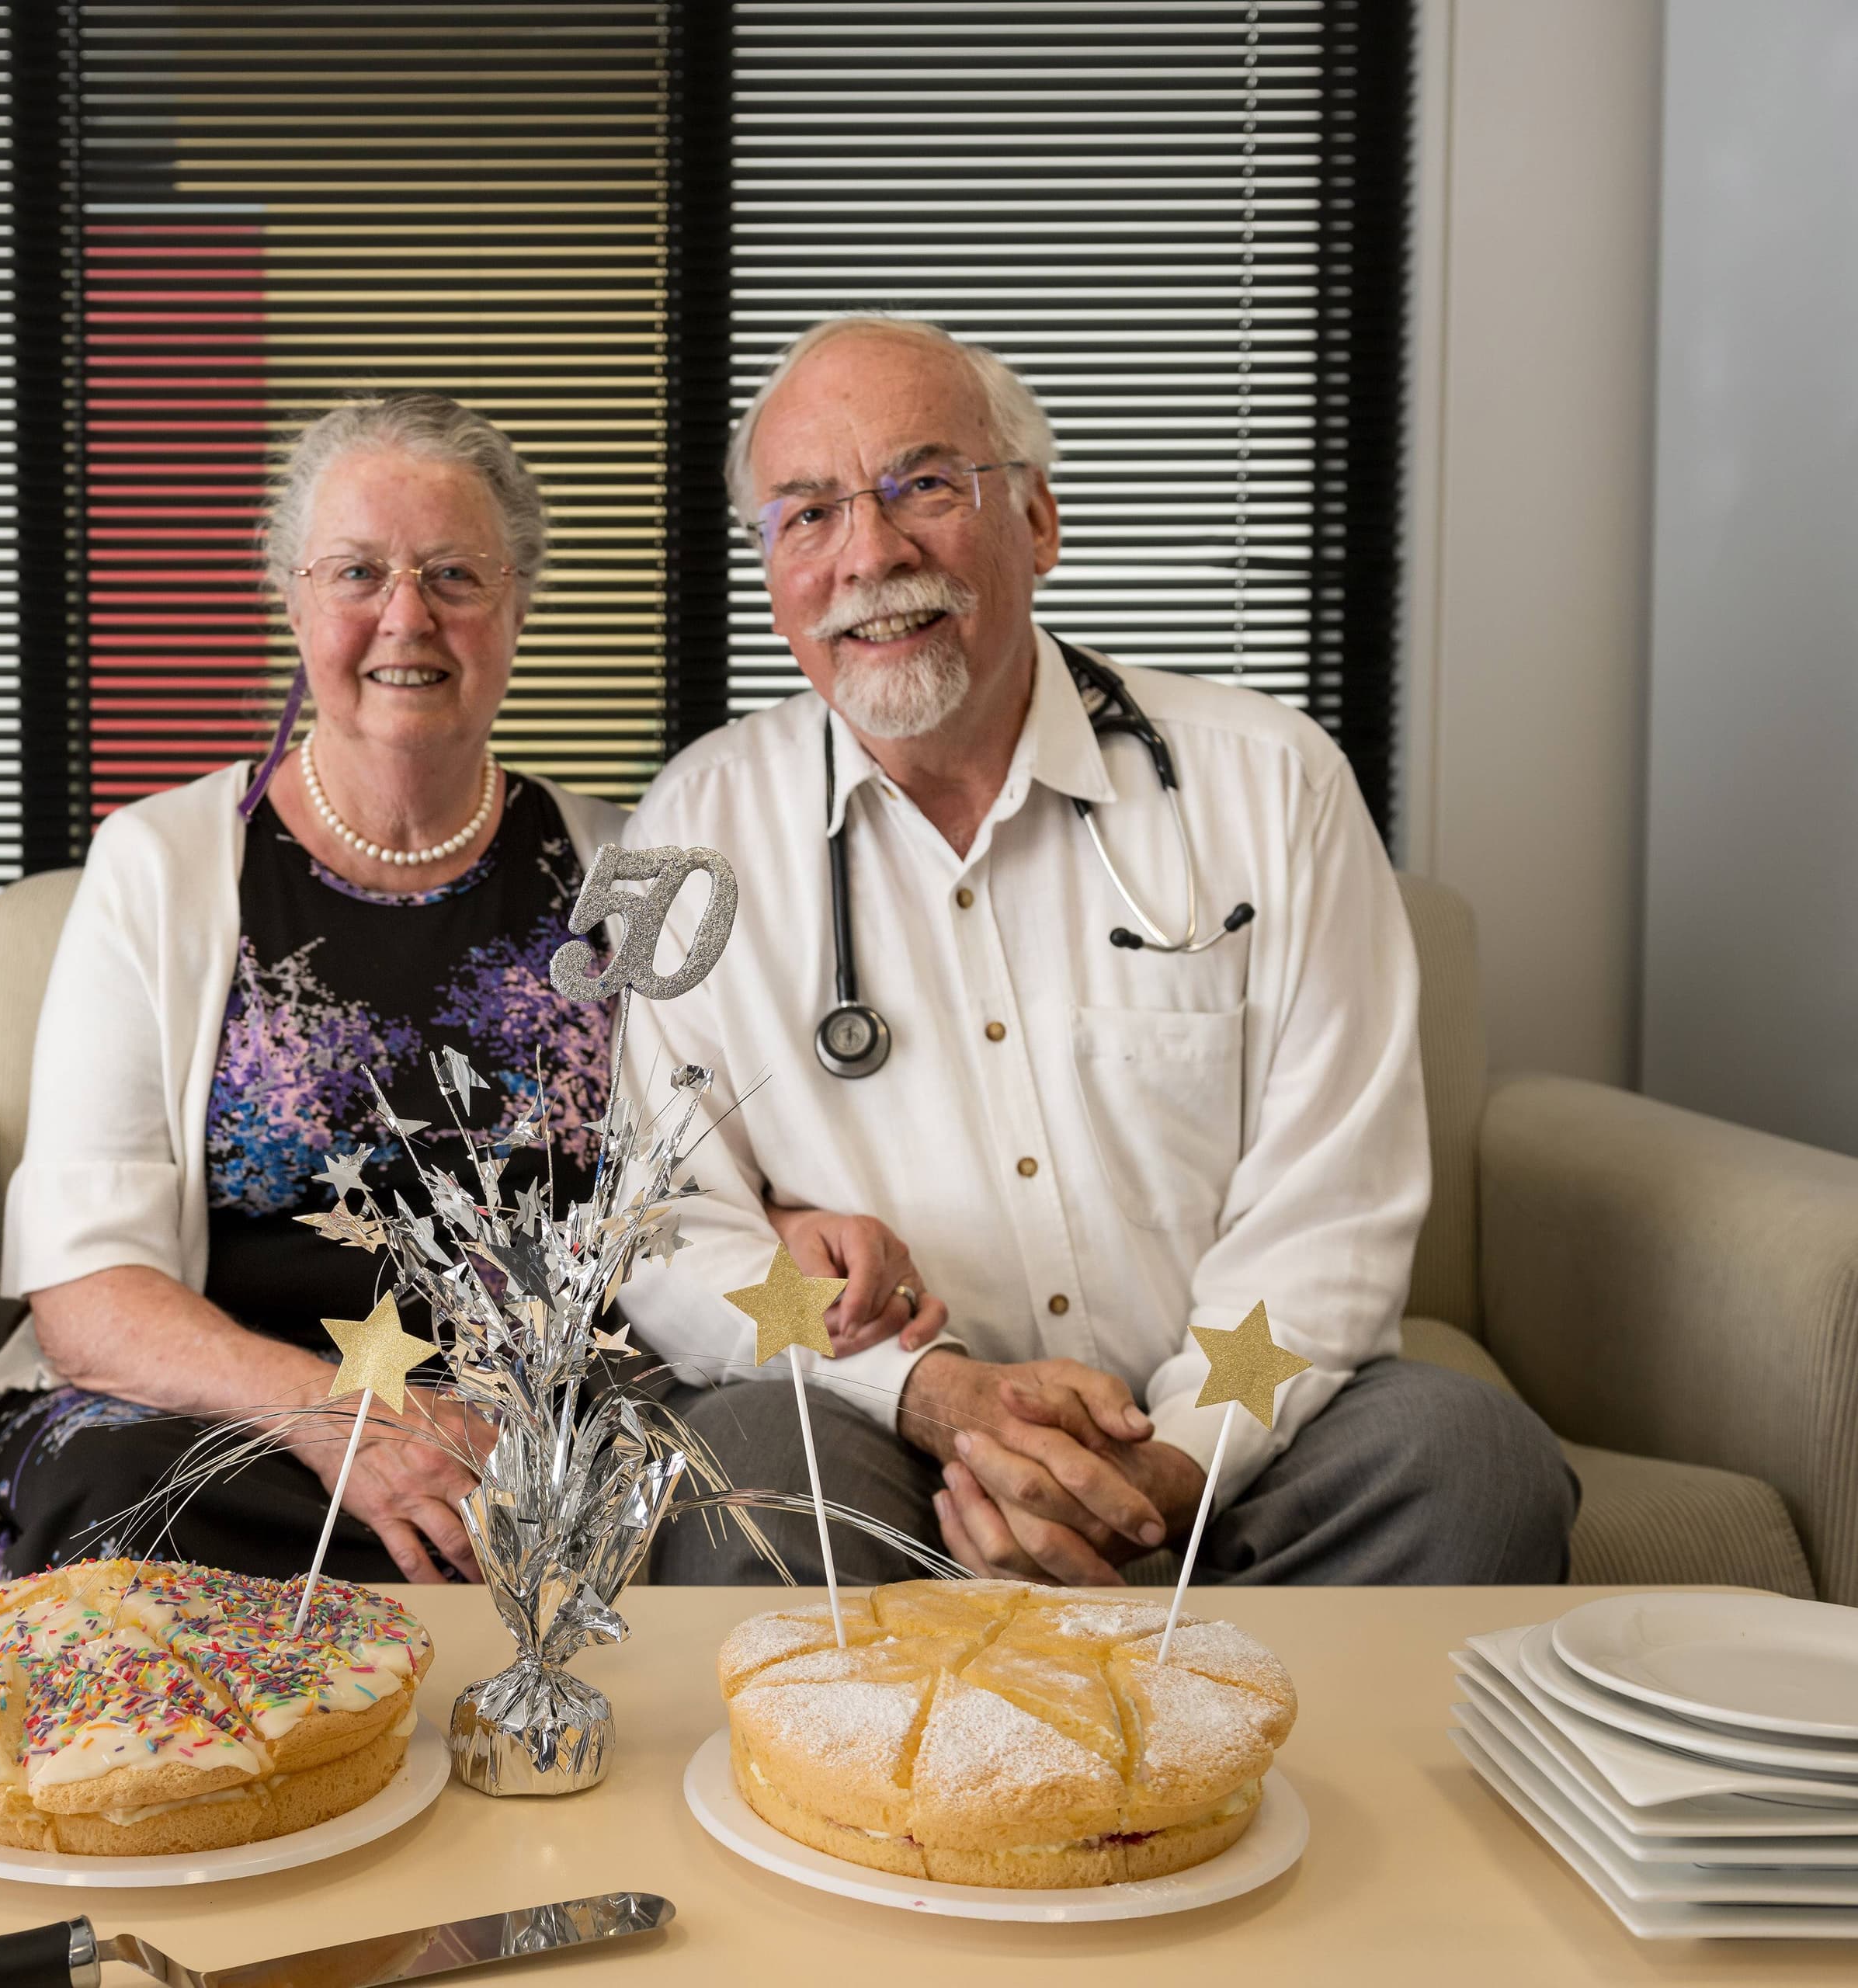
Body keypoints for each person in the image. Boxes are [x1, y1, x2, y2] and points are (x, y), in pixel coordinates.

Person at [613, 315, 1578, 1587]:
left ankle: (1189, 1692)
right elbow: (667, 1230)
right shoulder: (688, 828)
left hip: (1238, 1459)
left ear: (1039, 522)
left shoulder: (1276, 786)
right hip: (887, 1443)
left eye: (925, 486)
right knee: (745, 1478)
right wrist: (925, 1392)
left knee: (1474, 1464)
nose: (872, 553)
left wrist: (1168, 1465)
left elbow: (1329, 1214)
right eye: (807, 514)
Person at [0, 394, 929, 1586]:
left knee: (758, 1496)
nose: (405, 616)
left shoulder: (625, 873)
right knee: (131, 1504)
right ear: (295, 599)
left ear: (517, 605)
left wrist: (787, 1227)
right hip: (245, 1416)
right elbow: (87, 1288)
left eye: (456, 575)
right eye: (358, 571)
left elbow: (691, 1178)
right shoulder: (161, 865)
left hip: (562, 1417)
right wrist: (337, 1419)